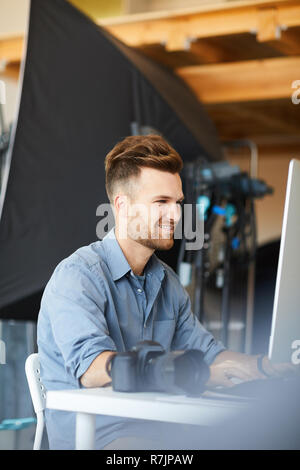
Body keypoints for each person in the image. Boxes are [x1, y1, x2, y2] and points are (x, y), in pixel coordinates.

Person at [37, 134, 295, 450]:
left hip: (160, 434)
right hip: (100, 439)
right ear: (122, 206)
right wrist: (181, 371)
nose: (175, 216)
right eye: (161, 202)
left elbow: (212, 355)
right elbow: (92, 370)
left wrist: (270, 366)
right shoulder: (77, 276)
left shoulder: (167, 282)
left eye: (177, 203)